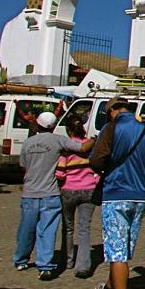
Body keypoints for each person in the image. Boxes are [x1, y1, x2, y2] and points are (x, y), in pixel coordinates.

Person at [89, 97, 145, 289]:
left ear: (113, 110)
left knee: (116, 251)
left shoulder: (111, 129)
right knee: (124, 247)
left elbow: (96, 161)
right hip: (139, 196)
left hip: (116, 194)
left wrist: (114, 165)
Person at [13, 112, 92, 281]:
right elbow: (82, 148)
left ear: (38, 125)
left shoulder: (28, 143)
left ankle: (21, 259)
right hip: (51, 193)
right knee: (47, 230)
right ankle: (45, 266)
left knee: (26, 228)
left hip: (30, 193)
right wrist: (95, 139)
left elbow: (23, 166)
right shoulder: (58, 140)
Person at [55, 115, 99, 278]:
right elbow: (98, 167)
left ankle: (67, 260)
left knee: (68, 227)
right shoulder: (91, 145)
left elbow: (60, 173)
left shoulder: (66, 147)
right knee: (84, 228)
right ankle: (83, 266)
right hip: (88, 190)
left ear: (68, 130)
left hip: (69, 190)